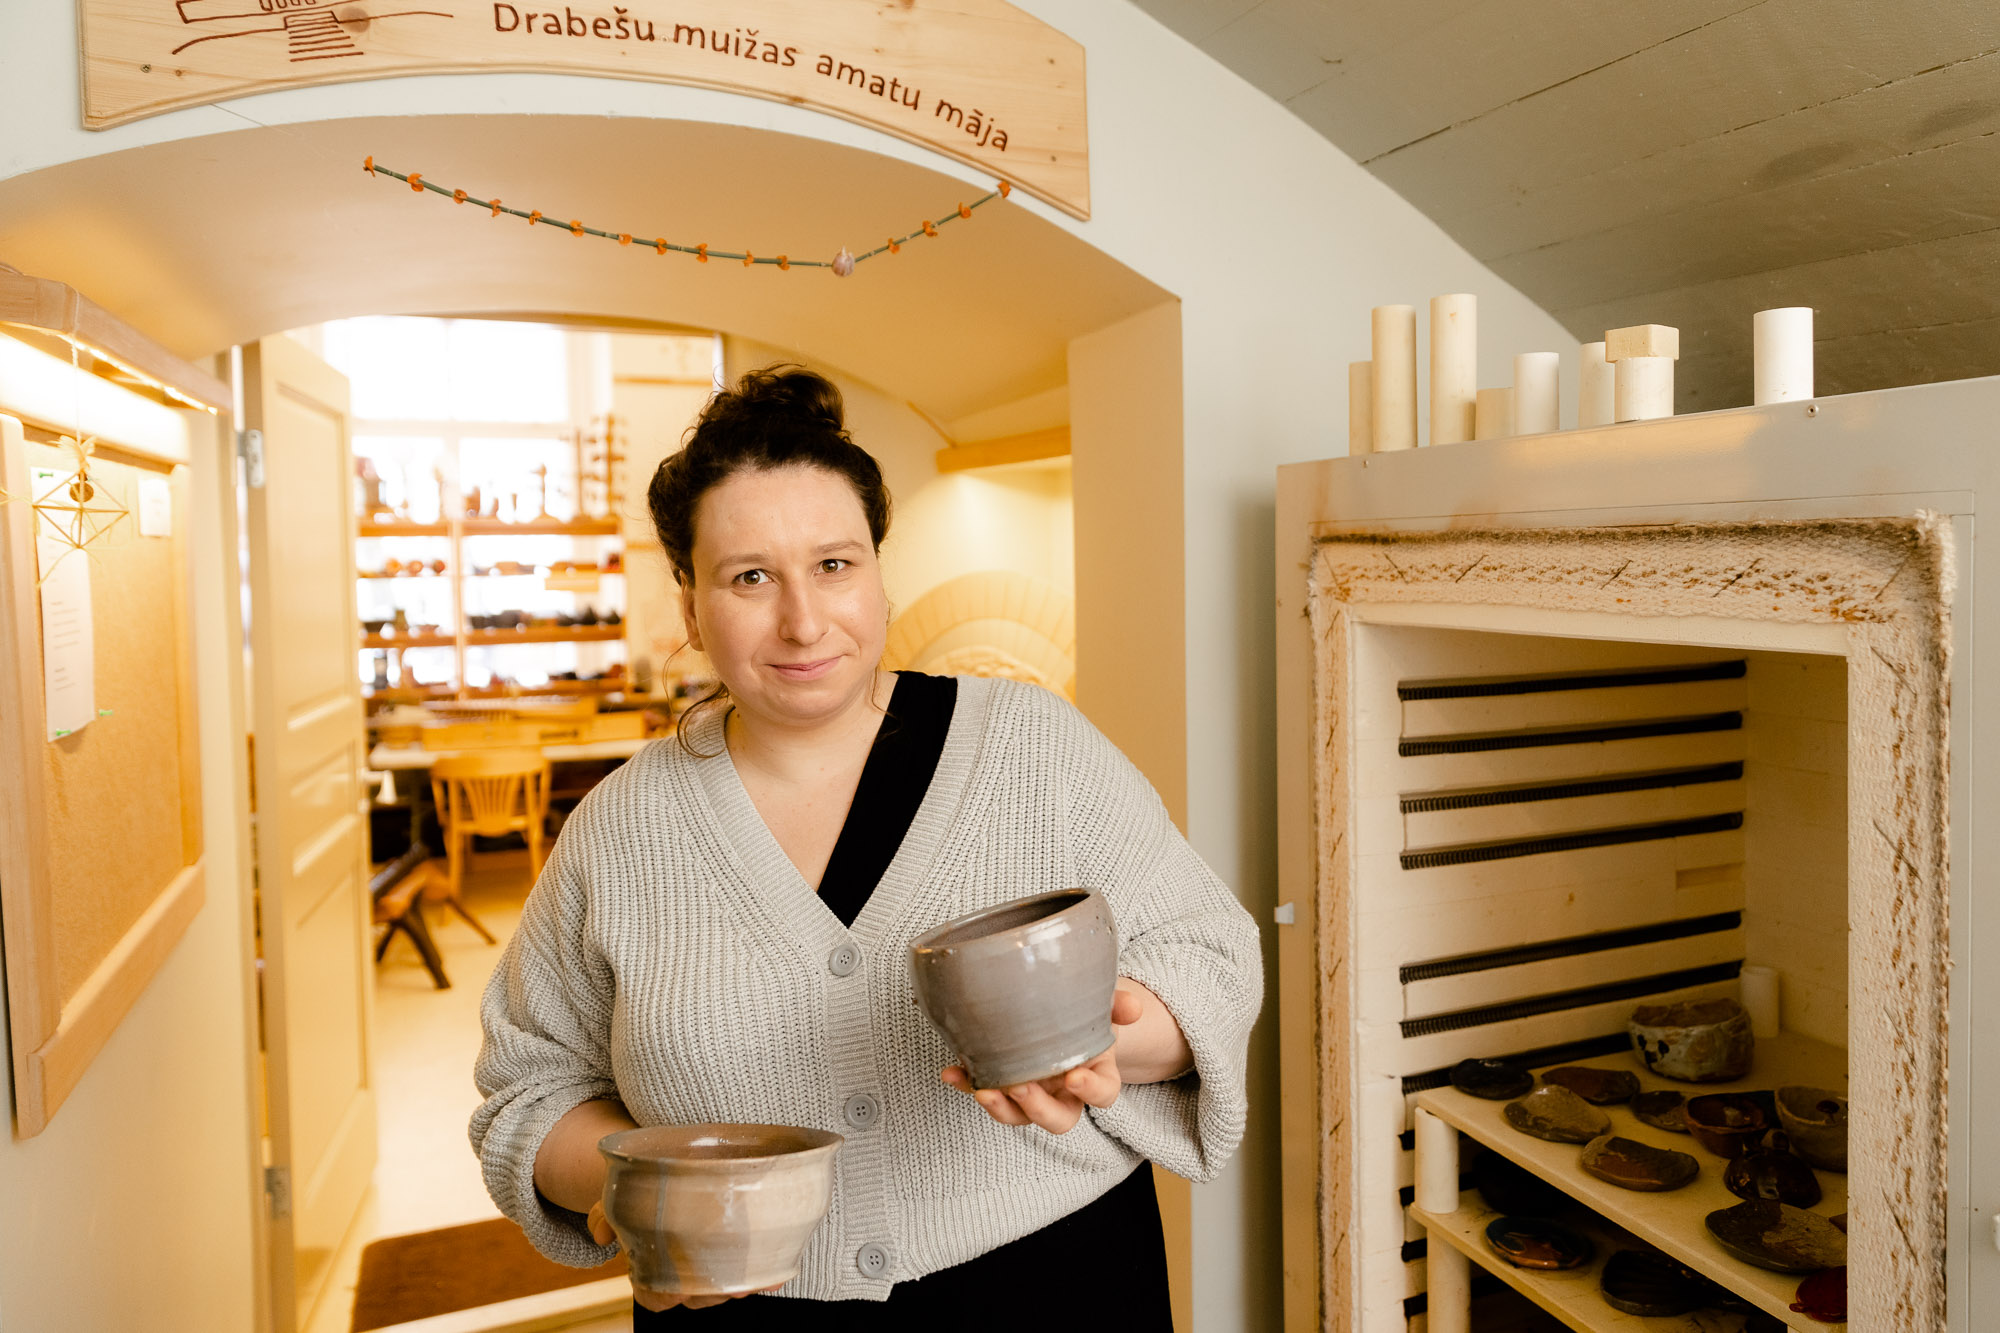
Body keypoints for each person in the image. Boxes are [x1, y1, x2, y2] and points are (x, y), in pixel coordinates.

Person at [471, 365, 1262, 1325]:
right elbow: (530, 1087)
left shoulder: (1033, 747)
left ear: (880, 573)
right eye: (750, 576)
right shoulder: (619, 833)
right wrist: (635, 1193)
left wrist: (1106, 1048)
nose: (804, 620)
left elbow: (1211, 953)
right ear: (689, 605)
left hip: (1058, 1288)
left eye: (835, 565)